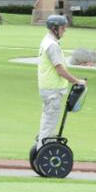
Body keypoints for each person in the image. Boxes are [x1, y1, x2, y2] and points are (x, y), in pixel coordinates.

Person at [35, 15, 86, 148]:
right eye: (63, 28)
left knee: (47, 120)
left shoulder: (47, 41)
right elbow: (60, 70)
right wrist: (76, 81)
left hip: (48, 88)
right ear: (54, 28)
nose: (65, 30)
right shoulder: (52, 45)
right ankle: (43, 149)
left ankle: (42, 146)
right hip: (53, 89)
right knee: (50, 122)